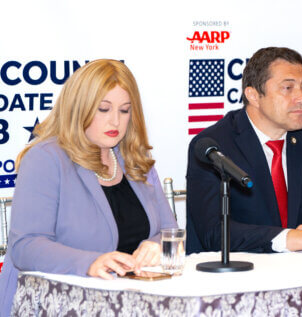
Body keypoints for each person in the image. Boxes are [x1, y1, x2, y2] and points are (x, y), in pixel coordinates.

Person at [0, 59, 178, 316]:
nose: (115, 121)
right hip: (57, 306)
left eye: (125, 110)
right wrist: (90, 262)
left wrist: (156, 246)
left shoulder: (135, 158)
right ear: (78, 108)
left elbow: (170, 233)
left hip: (130, 305)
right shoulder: (46, 158)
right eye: (103, 109)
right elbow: (25, 246)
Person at [186, 47, 302, 255]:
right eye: (287, 88)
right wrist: (293, 238)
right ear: (253, 95)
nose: (301, 98)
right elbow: (213, 233)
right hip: (232, 276)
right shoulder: (213, 146)